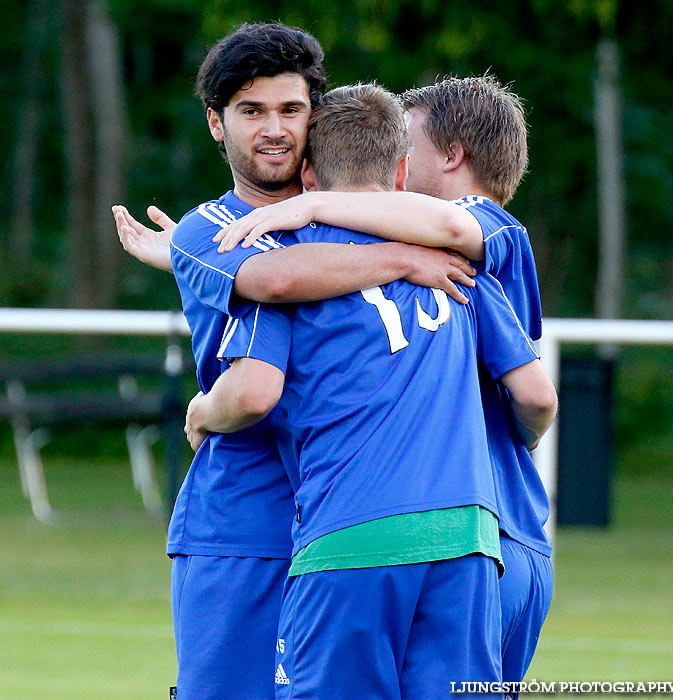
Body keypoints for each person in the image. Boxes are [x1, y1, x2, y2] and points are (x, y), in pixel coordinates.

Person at [113, 23, 477, 700]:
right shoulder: (208, 229)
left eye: (291, 109)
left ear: (316, 116)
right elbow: (273, 287)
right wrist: (405, 260)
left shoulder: (376, 217)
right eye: (251, 112)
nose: (274, 129)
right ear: (216, 125)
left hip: (357, 520)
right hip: (246, 526)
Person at [185, 83, 557, 699]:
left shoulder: (463, 236)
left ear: (307, 173)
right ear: (399, 168)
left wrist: (294, 214)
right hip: (477, 536)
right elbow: (537, 395)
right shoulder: (458, 267)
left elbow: (258, 359)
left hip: (351, 533)